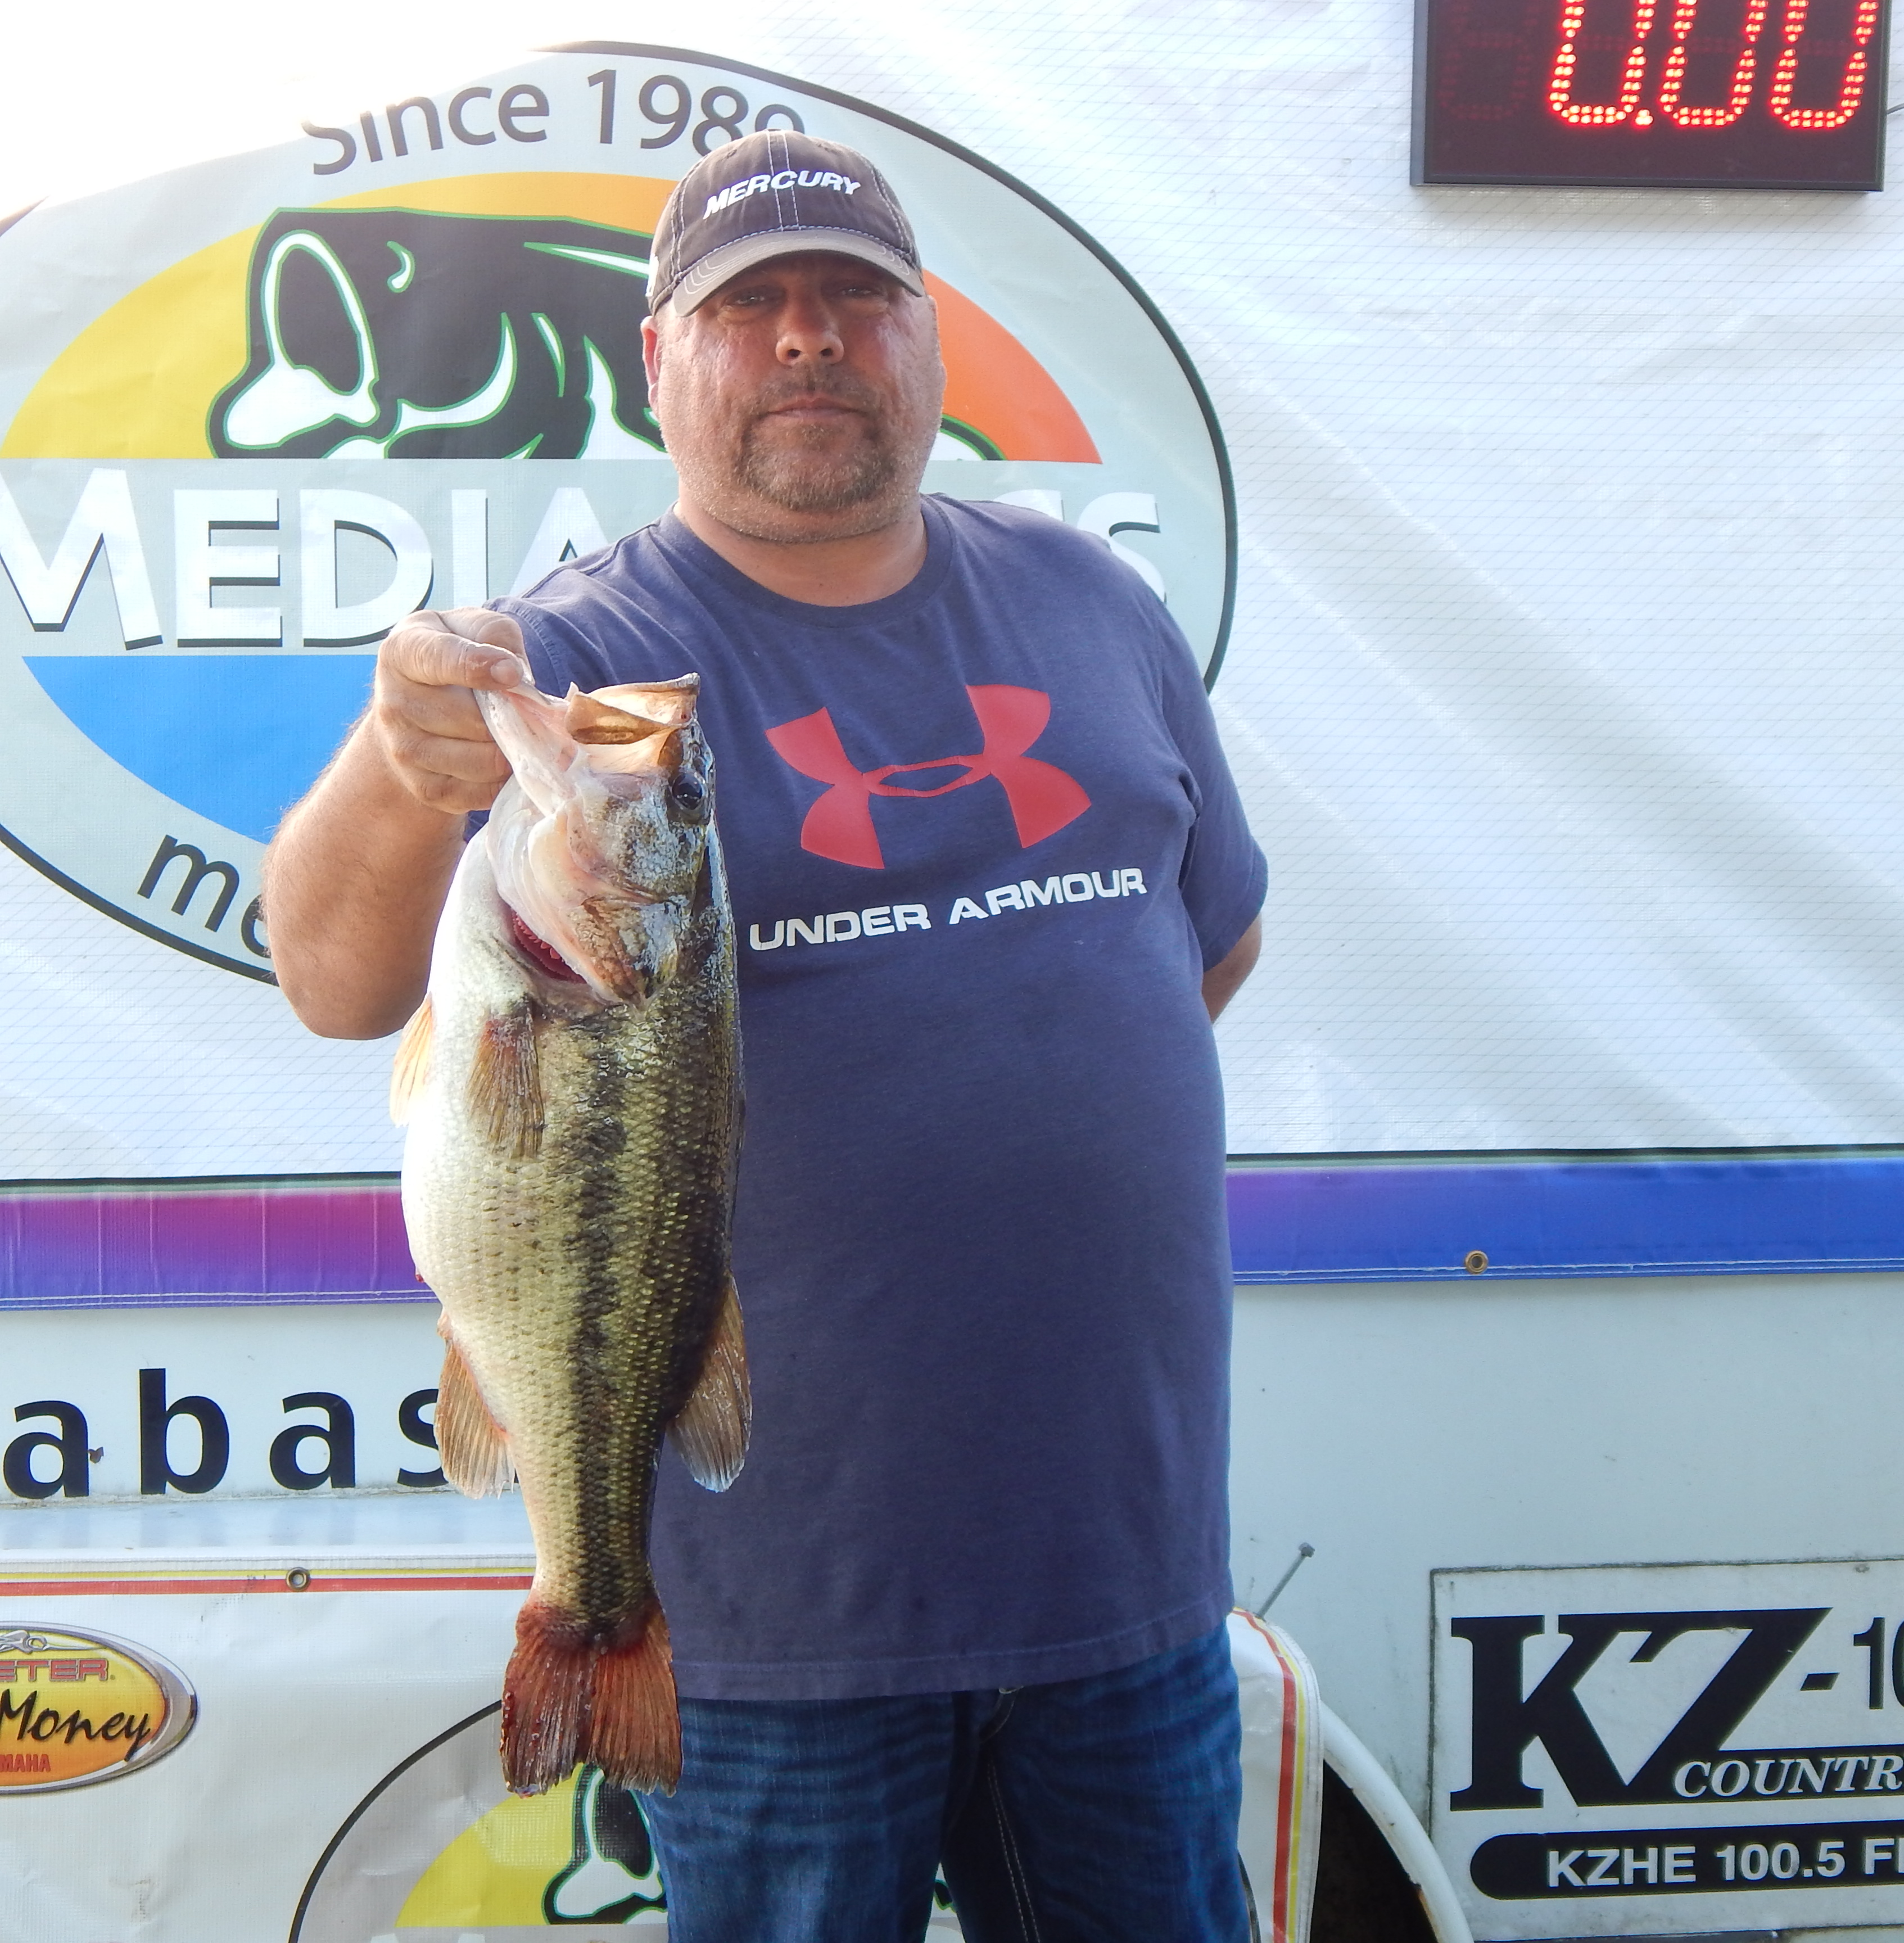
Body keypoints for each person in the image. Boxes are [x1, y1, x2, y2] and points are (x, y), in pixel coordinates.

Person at [265, 129, 1265, 1943]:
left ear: (928, 338)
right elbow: (334, 982)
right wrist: (401, 764)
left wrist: (1004, 1093)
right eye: (750, 307)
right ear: (661, 361)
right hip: (775, 1621)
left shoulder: (1094, 603)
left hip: (1124, 1572)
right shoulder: (572, 671)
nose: (808, 338)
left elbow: (1208, 940)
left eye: (854, 297)